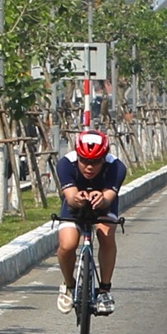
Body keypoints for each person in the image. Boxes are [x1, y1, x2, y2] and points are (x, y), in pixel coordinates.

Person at [55, 130, 127, 316]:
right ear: (77, 156)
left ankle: (104, 290)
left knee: (106, 234)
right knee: (68, 244)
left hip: (103, 203)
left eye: (95, 162)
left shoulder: (117, 167)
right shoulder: (65, 164)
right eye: (84, 160)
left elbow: (109, 197)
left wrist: (101, 199)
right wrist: (77, 198)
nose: (89, 167)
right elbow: (70, 197)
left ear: (104, 158)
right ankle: (69, 286)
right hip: (75, 204)